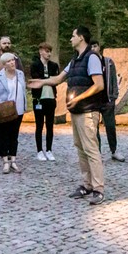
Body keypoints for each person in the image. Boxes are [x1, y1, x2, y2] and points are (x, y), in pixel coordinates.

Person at [28, 27, 108, 205]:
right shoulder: (74, 60)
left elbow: (99, 85)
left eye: (73, 36)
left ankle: (98, 189)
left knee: (91, 149)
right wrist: (41, 82)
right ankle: (87, 185)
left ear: (81, 38)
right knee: (80, 148)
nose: (70, 39)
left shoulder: (92, 58)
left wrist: (78, 98)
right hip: (77, 111)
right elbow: (58, 79)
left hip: (88, 111)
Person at [0, 52, 27, 174]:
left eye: (13, 60)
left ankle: (13, 160)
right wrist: (1, 102)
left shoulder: (20, 74)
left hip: (18, 109)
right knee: (3, 135)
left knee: (14, 136)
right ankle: (5, 161)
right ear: (4, 64)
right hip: (4, 110)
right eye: (9, 61)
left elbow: (23, 89)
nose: (12, 63)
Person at [90, 41, 125, 162]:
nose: (93, 49)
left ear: (99, 47)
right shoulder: (88, 63)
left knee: (110, 126)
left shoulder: (108, 62)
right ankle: (97, 152)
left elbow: (114, 79)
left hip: (107, 99)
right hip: (93, 101)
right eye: (91, 47)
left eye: (95, 46)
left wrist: (114, 96)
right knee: (94, 128)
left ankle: (114, 150)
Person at [29, 42, 59, 161]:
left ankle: (49, 150)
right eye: (47, 51)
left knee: (50, 125)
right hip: (39, 99)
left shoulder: (54, 65)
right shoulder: (35, 65)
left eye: (50, 51)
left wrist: (45, 80)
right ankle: (39, 150)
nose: (49, 54)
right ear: (41, 51)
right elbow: (36, 80)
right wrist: (48, 80)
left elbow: (56, 80)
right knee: (39, 125)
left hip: (51, 98)